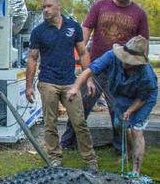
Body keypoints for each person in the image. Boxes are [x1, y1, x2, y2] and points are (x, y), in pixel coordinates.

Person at [60, 0, 149, 153]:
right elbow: (85, 29)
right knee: (80, 104)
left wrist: (140, 67)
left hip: (121, 70)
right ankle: (68, 142)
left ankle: (121, 148)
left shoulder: (139, 14)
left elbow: (143, 42)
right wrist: (80, 52)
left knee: (118, 109)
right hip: (95, 66)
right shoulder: (100, 5)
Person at [25, 0, 98, 170]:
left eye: (49, 6)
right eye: (43, 7)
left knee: (79, 121)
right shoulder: (38, 31)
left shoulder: (73, 27)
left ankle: (90, 160)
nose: (45, 10)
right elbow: (32, 59)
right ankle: (54, 157)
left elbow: (83, 53)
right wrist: (28, 86)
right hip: (47, 82)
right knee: (50, 122)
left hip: (70, 83)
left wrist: (88, 79)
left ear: (58, 6)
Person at [67, 36, 157, 176]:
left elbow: (143, 97)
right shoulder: (111, 56)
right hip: (122, 93)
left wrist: (130, 110)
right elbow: (89, 70)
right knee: (119, 125)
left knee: (135, 129)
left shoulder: (147, 74)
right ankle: (128, 151)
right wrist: (75, 87)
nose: (126, 63)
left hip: (143, 99)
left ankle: (135, 170)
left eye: (130, 61)